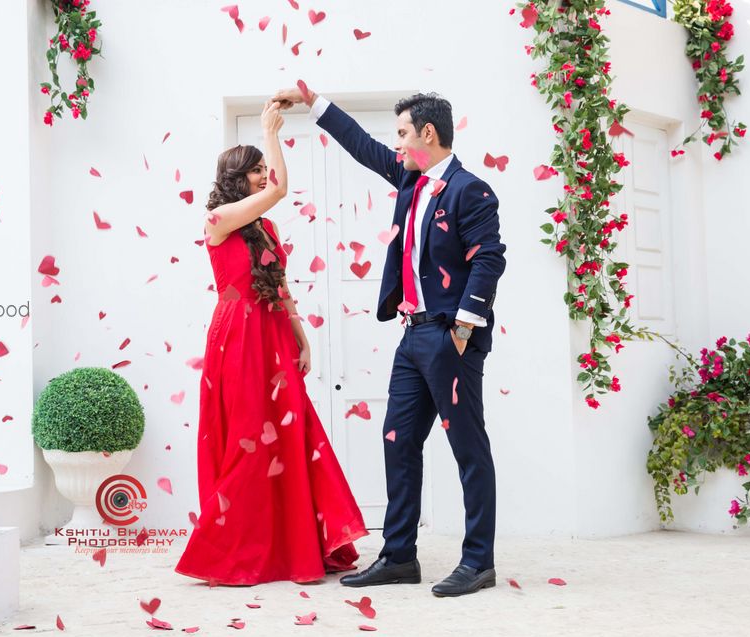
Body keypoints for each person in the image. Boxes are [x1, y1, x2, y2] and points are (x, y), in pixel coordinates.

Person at [273, 87, 507, 597]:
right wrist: (315, 102)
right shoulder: (410, 178)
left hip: (451, 336)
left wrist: (462, 333)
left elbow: (488, 260)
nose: (396, 144)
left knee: (468, 448)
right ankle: (400, 556)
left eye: (402, 133)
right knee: (398, 442)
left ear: (428, 133)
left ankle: (478, 561)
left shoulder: (472, 190)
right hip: (412, 335)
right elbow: (362, 146)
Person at [175, 100, 368, 586]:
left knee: (292, 430)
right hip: (237, 337)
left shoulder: (268, 229)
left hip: (275, 333)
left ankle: (297, 543)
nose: (265, 175)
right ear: (237, 179)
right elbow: (281, 190)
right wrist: (270, 131)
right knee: (247, 437)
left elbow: (279, 284)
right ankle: (235, 549)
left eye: (265, 168)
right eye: (257, 170)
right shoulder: (218, 221)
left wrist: (300, 334)